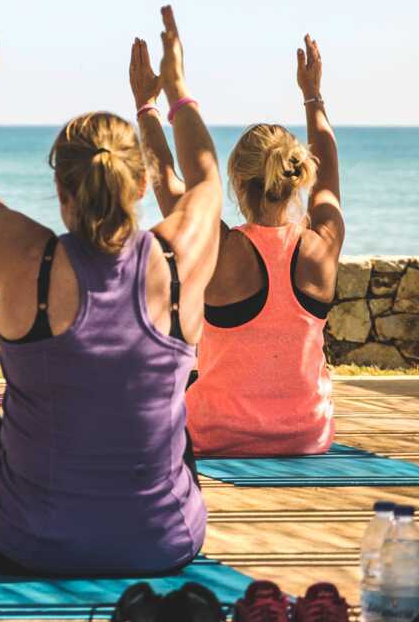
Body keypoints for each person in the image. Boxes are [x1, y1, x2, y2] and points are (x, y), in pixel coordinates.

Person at [0, 7, 222, 577]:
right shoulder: (178, 259)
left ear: (59, 188)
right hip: (165, 543)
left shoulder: (33, 262)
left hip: (26, 543)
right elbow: (206, 180)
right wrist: (172, 88)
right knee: (170, 414)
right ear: (142, 183)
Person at [142, 36, 342, 458]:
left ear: (237, 184)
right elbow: (328, 177)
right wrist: (313, 96)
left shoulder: (221, 247)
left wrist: (147, 106)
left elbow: (164, 176)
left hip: (216, 434)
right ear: (298, 177)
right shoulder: (322, 241)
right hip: (308, 436)